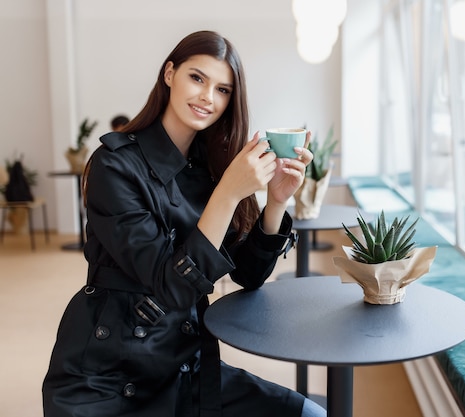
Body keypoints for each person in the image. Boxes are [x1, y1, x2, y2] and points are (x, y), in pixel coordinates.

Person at [42, 30, 325, 417]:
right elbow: (171, 286)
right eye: (197, 78)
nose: (208, 97)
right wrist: (228, 193)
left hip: (187, 367)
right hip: (108, 375)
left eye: (223, 90)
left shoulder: (212, 168)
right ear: (170, 74)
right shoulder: (114, 166)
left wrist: (276, 200)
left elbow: (248, 274)